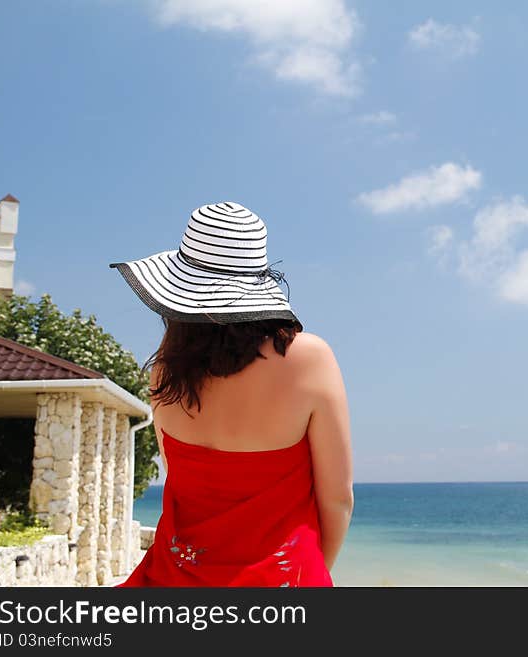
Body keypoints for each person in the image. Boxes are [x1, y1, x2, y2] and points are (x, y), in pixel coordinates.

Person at [108, 201, 353, 587]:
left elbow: (187, 487)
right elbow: (338, 498)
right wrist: (314, 573)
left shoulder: (165, 372)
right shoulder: (309, 358)